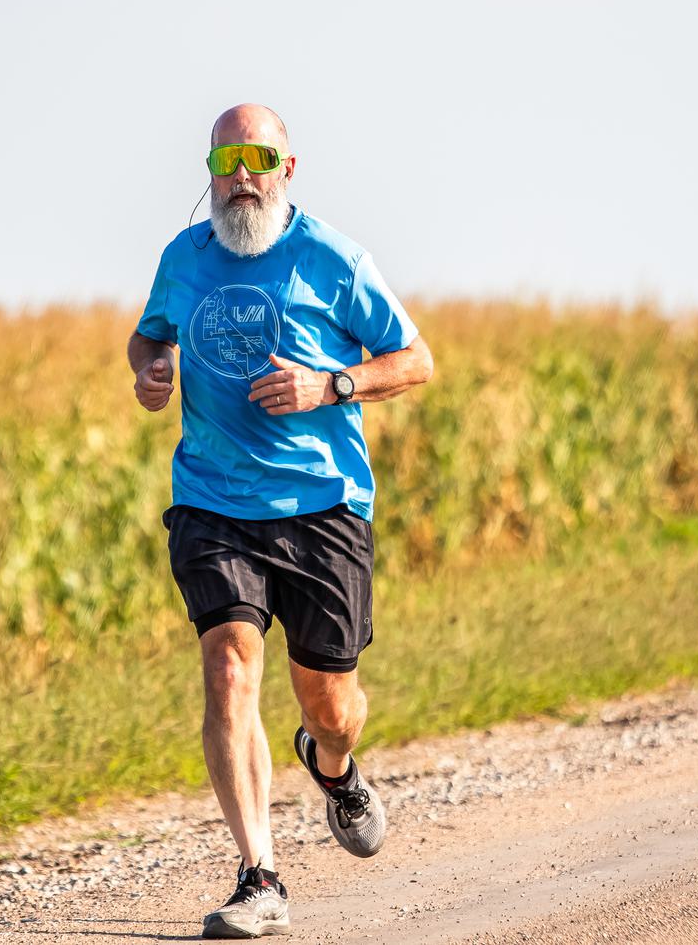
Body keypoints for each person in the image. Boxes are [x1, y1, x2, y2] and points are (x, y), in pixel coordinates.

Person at [127, 103, 433, 938]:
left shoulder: (333, 259)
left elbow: (415, 362)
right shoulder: (183, 259)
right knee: (229, 669)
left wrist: (327, 386)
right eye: (226, 158)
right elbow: (147, 338)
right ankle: (259, 876)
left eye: (259, 157)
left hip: (323, 507)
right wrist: (152, 367)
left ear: (287, 170)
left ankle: (332, 768)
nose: (242, 173)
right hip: (213, 502)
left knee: (329, 705)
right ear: (211, 172)